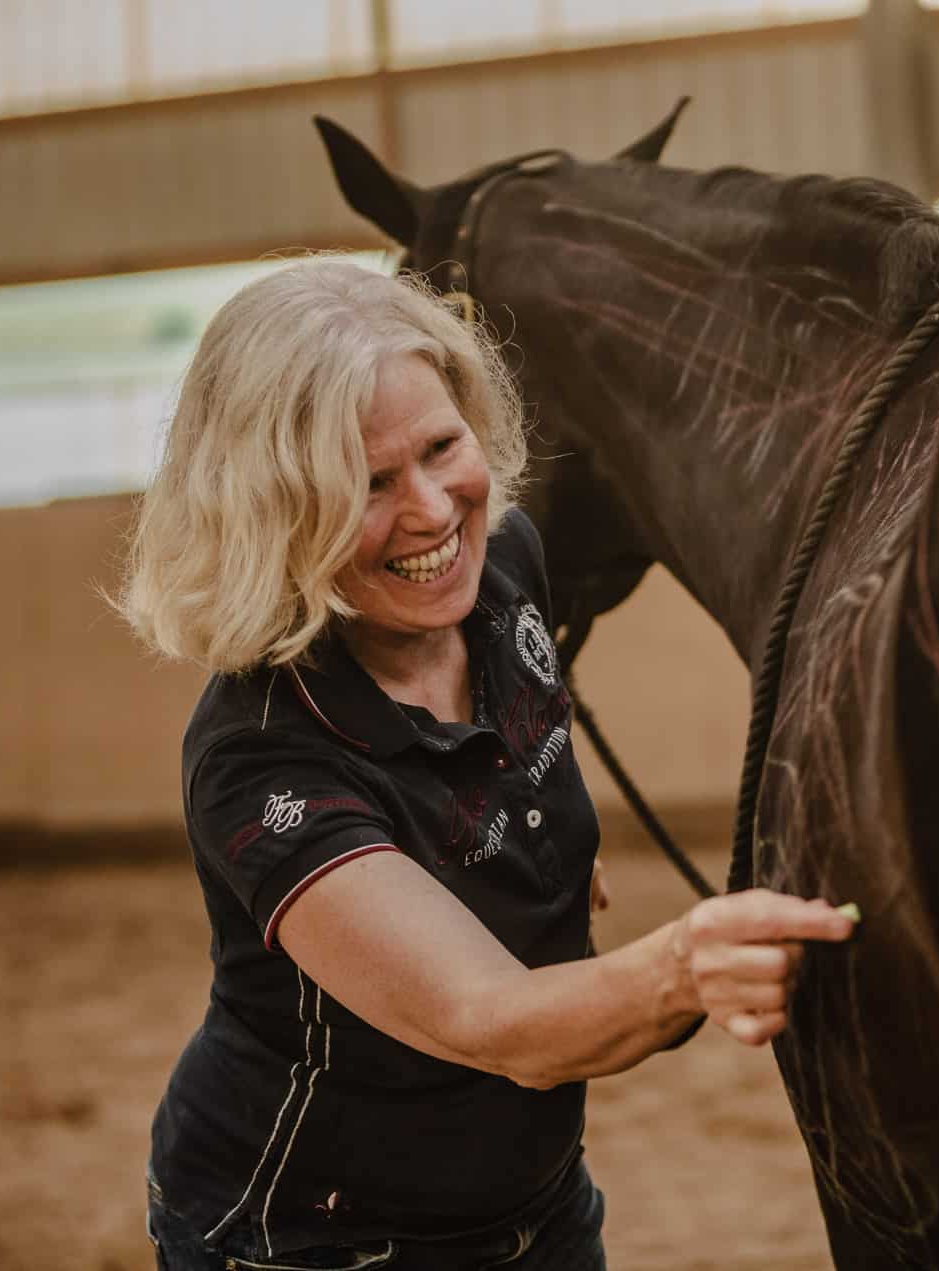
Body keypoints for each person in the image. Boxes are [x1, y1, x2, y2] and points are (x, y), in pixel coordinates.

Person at [117, 257, 854, 1270]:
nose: (432, 510)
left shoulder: (504, 560)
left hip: (538, 1203)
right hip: (313, 1237)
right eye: (369, 484)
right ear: (274, 509)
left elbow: (506, 763)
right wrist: (686, 965)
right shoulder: (261, 753)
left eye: (441, 446)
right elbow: (495, 1022)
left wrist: (540, 856)